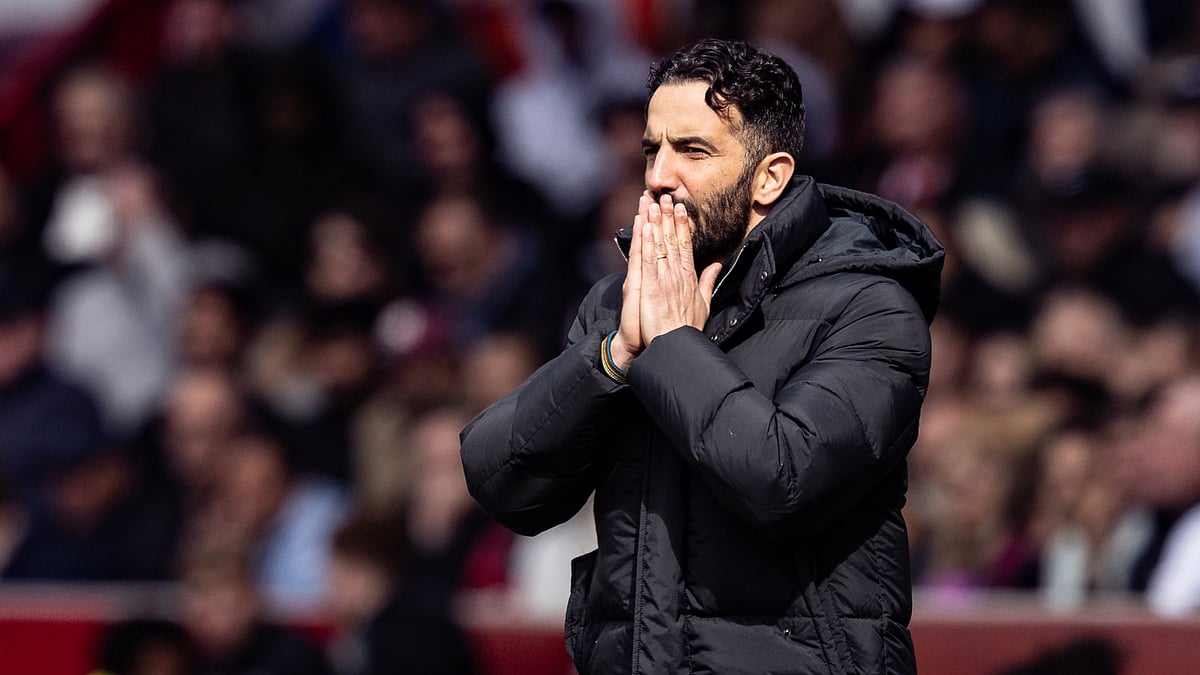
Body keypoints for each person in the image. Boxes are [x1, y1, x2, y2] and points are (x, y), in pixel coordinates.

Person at [459, 38, 944, 674]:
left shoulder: (871, 307)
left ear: (770, 176)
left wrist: (669, 348)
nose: (660, 175)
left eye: (692, 150)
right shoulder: (620, 305)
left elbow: (783, 481)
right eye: (651, 149)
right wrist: (613, 357)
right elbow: (505, 485)